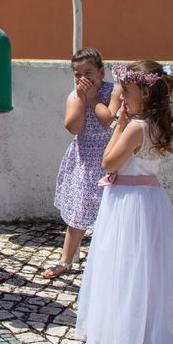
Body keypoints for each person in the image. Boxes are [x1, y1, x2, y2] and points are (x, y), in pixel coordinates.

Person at [75, 60, 173, 344]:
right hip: (149, 201)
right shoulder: (159, 124)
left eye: (128, 93)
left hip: (129, 205)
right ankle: (142, 335)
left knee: (124, 270)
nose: (121, 99)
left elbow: (108, 161)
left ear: (146, 93)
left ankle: (123, 339)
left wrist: (119, 124)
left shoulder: (136, 127)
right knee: (144, 271)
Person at [45, 48, 121, 278]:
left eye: (88, 72)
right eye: (77, 74)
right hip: (85, 158)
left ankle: (113, 259)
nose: (83, 78)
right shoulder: (74, 96)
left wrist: (93, 98)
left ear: (101, 72)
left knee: (113, 210)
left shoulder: (115, 91)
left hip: (112, 153)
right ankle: (65, 260)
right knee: (80, 209)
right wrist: (81, 99)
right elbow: (74, 128)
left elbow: (109, 121)